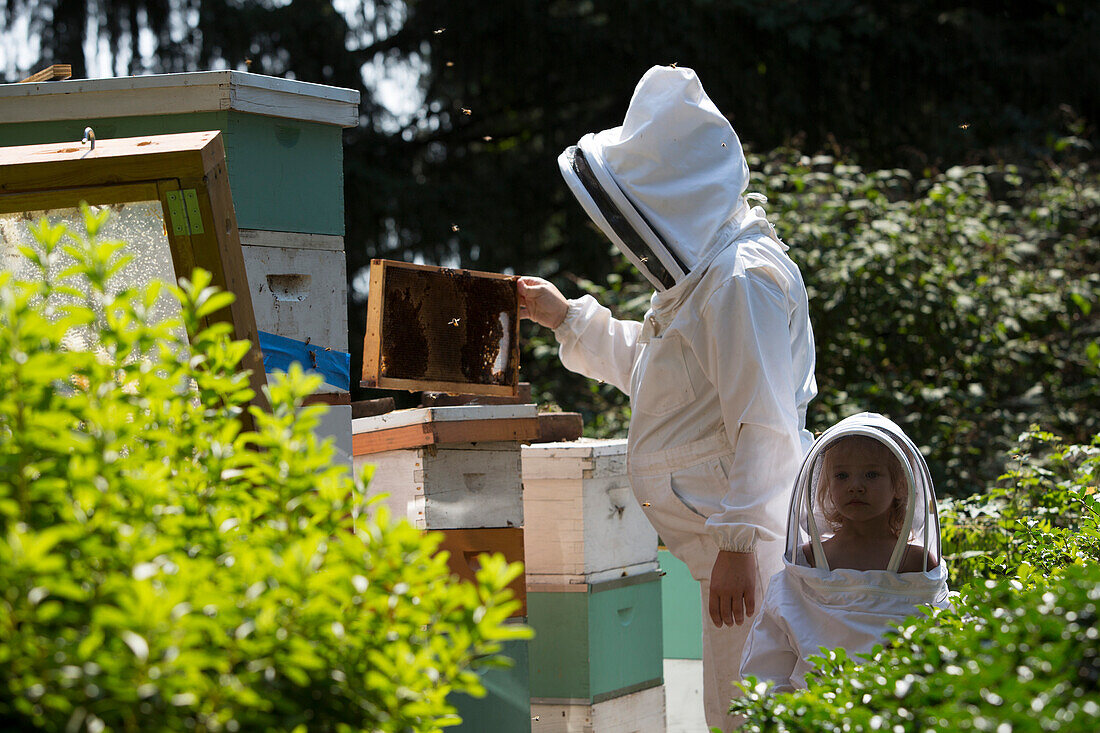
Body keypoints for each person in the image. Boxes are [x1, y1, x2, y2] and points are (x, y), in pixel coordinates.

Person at [517, 65, 817, 731]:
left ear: (674, 193)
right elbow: (661, 377)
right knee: (732, 711)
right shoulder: (705, 277)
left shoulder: (741, 282)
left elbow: (765, 424)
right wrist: (567, 319)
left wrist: (739, 542)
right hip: (728, 549)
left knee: (746, 717)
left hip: (753, 552)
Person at [740, 412, 951, 693]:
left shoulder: (917, 563)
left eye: (871, 474)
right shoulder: (808, 561)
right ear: (826, 484)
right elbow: (769, 664)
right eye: (842, 475)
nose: (855, 485)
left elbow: (940, 645)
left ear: (901, 484)